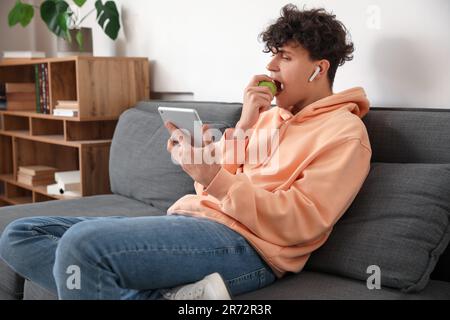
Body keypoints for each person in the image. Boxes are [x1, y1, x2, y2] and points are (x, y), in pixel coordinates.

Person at [0, 4, 371, 300]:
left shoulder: (345, 134)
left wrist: (211, 176)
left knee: (82, 247)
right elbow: (207, 188)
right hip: (197, 222)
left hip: (252, 247)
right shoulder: (268, 117)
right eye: (272, 55)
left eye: (285, 58)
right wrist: (240, 128)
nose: (270, 66)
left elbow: (301, 222)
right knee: (20, 234)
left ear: (318, 69)